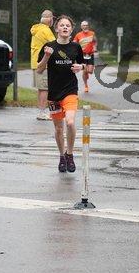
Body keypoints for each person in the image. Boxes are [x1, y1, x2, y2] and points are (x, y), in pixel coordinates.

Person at [36, 15, 85, 173]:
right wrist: (46, 56)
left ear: (71, 29)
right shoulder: (49, 46)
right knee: (58, 129)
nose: (65, 27)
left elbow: (84, 64)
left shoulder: (75, 47)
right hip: (54, 93)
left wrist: (81, 67)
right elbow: (39, 70)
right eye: (62, 25)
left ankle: (69, 154)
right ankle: (62, 156)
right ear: (56, 28)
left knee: (70, 122)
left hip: (70, 90)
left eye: (68, 26)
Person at [30, 9, 55, 120]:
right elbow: (55, 45)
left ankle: (41, 111)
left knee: (41, 89)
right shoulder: (46, 30)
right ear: (49, 19)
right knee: (45, 89)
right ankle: (42, 112)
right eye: (52, 18)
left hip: (35, 62)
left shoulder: (37, 28)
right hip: (43, 63)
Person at [73, 20, 97, 93]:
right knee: (84, 71)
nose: (85, 27)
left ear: (88, 26)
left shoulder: (92, 33)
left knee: (90, 71)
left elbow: (95, 41)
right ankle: (86, 85)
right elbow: (74, 43)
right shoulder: (78, 35)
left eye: (86, 25)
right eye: (84, 25)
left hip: (90, 54)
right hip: (82, 55)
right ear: (81, 27)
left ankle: (86, 72)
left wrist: (95, 47)